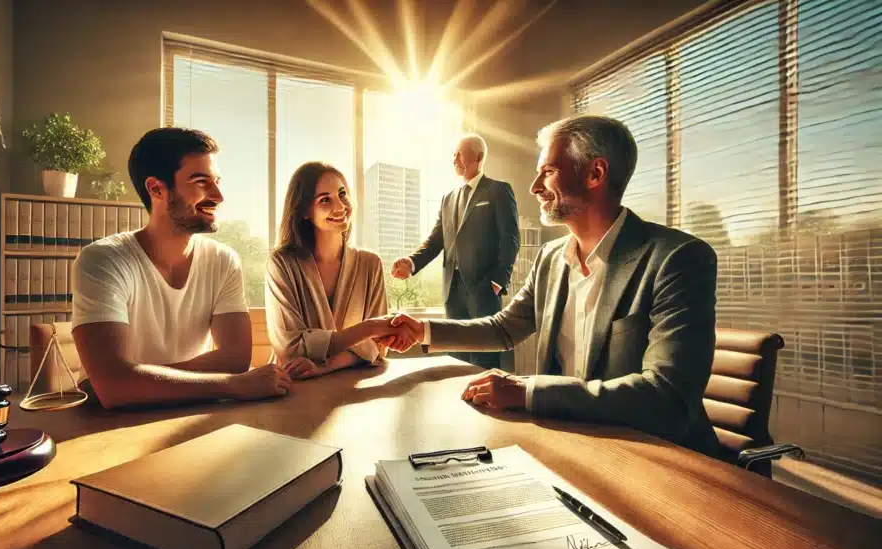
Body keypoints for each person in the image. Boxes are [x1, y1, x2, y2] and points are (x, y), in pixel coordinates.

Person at [385, 115, 720, 456]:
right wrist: (422, 331)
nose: (534, 187)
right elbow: (504, 328)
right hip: (571, 446)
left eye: (548, 171)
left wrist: (527, 392)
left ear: (595, 174)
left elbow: (667, 397)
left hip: (660, 457)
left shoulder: (678, 259)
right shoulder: (550, 257)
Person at [71, 127, 295, 409]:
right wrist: (231, 384)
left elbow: (235, 359)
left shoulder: (223, 261)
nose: (218, 196)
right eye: (201, 182)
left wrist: (137, 381)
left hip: (192, 411)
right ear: (156, 189)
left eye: (216, 181)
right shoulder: (103, 260)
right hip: (109, 424)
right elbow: (115, 388)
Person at [265, 162, 411, 379]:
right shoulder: (281, 264)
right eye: (325, 199)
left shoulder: (370, 264)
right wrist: (370, 328)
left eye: (342, 194)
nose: (340, 206)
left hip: (356, 383)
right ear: (304, 210)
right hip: (294, 385)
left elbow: (379, 346)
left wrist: (327, 366)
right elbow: (290, 349)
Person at [391, 133, 519, 370]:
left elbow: (510, 239)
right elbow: (435, 241)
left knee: (484, 359)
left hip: (484, 289)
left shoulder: (498, 190)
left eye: (459, 154)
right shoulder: (447, 199)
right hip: (453, 291)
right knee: (455, 356)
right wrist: (411, 262)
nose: (454, 160)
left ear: (478, 157)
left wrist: (498, 281)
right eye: (453, 155)